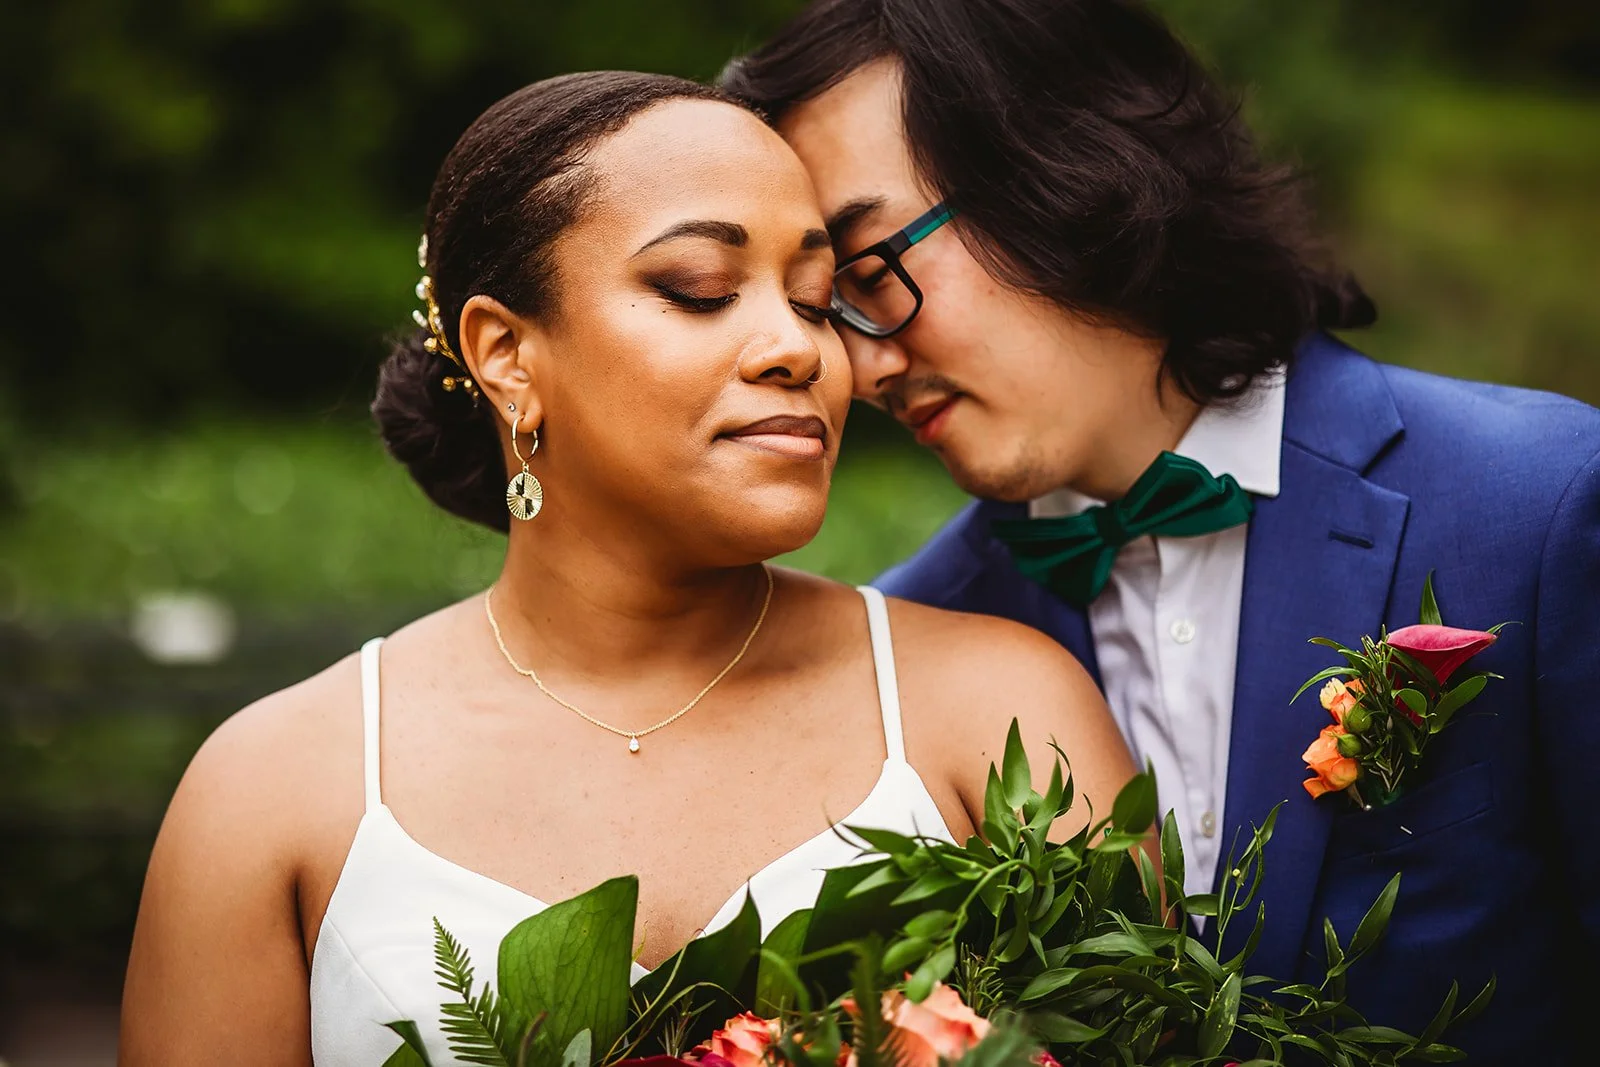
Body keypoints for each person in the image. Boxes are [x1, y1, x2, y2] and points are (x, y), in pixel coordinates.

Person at [115, 71, 1138, 1065]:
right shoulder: (273, 789)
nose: (796, 346)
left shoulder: (998, 712)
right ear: (506, 353)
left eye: (818, 297)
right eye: (698, 289)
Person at [718, 2, 1600, 1063]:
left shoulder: (1539, 504)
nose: (859, 368)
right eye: (829, 311)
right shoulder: (916, 640)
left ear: (1065, 170)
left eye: (871, 275)